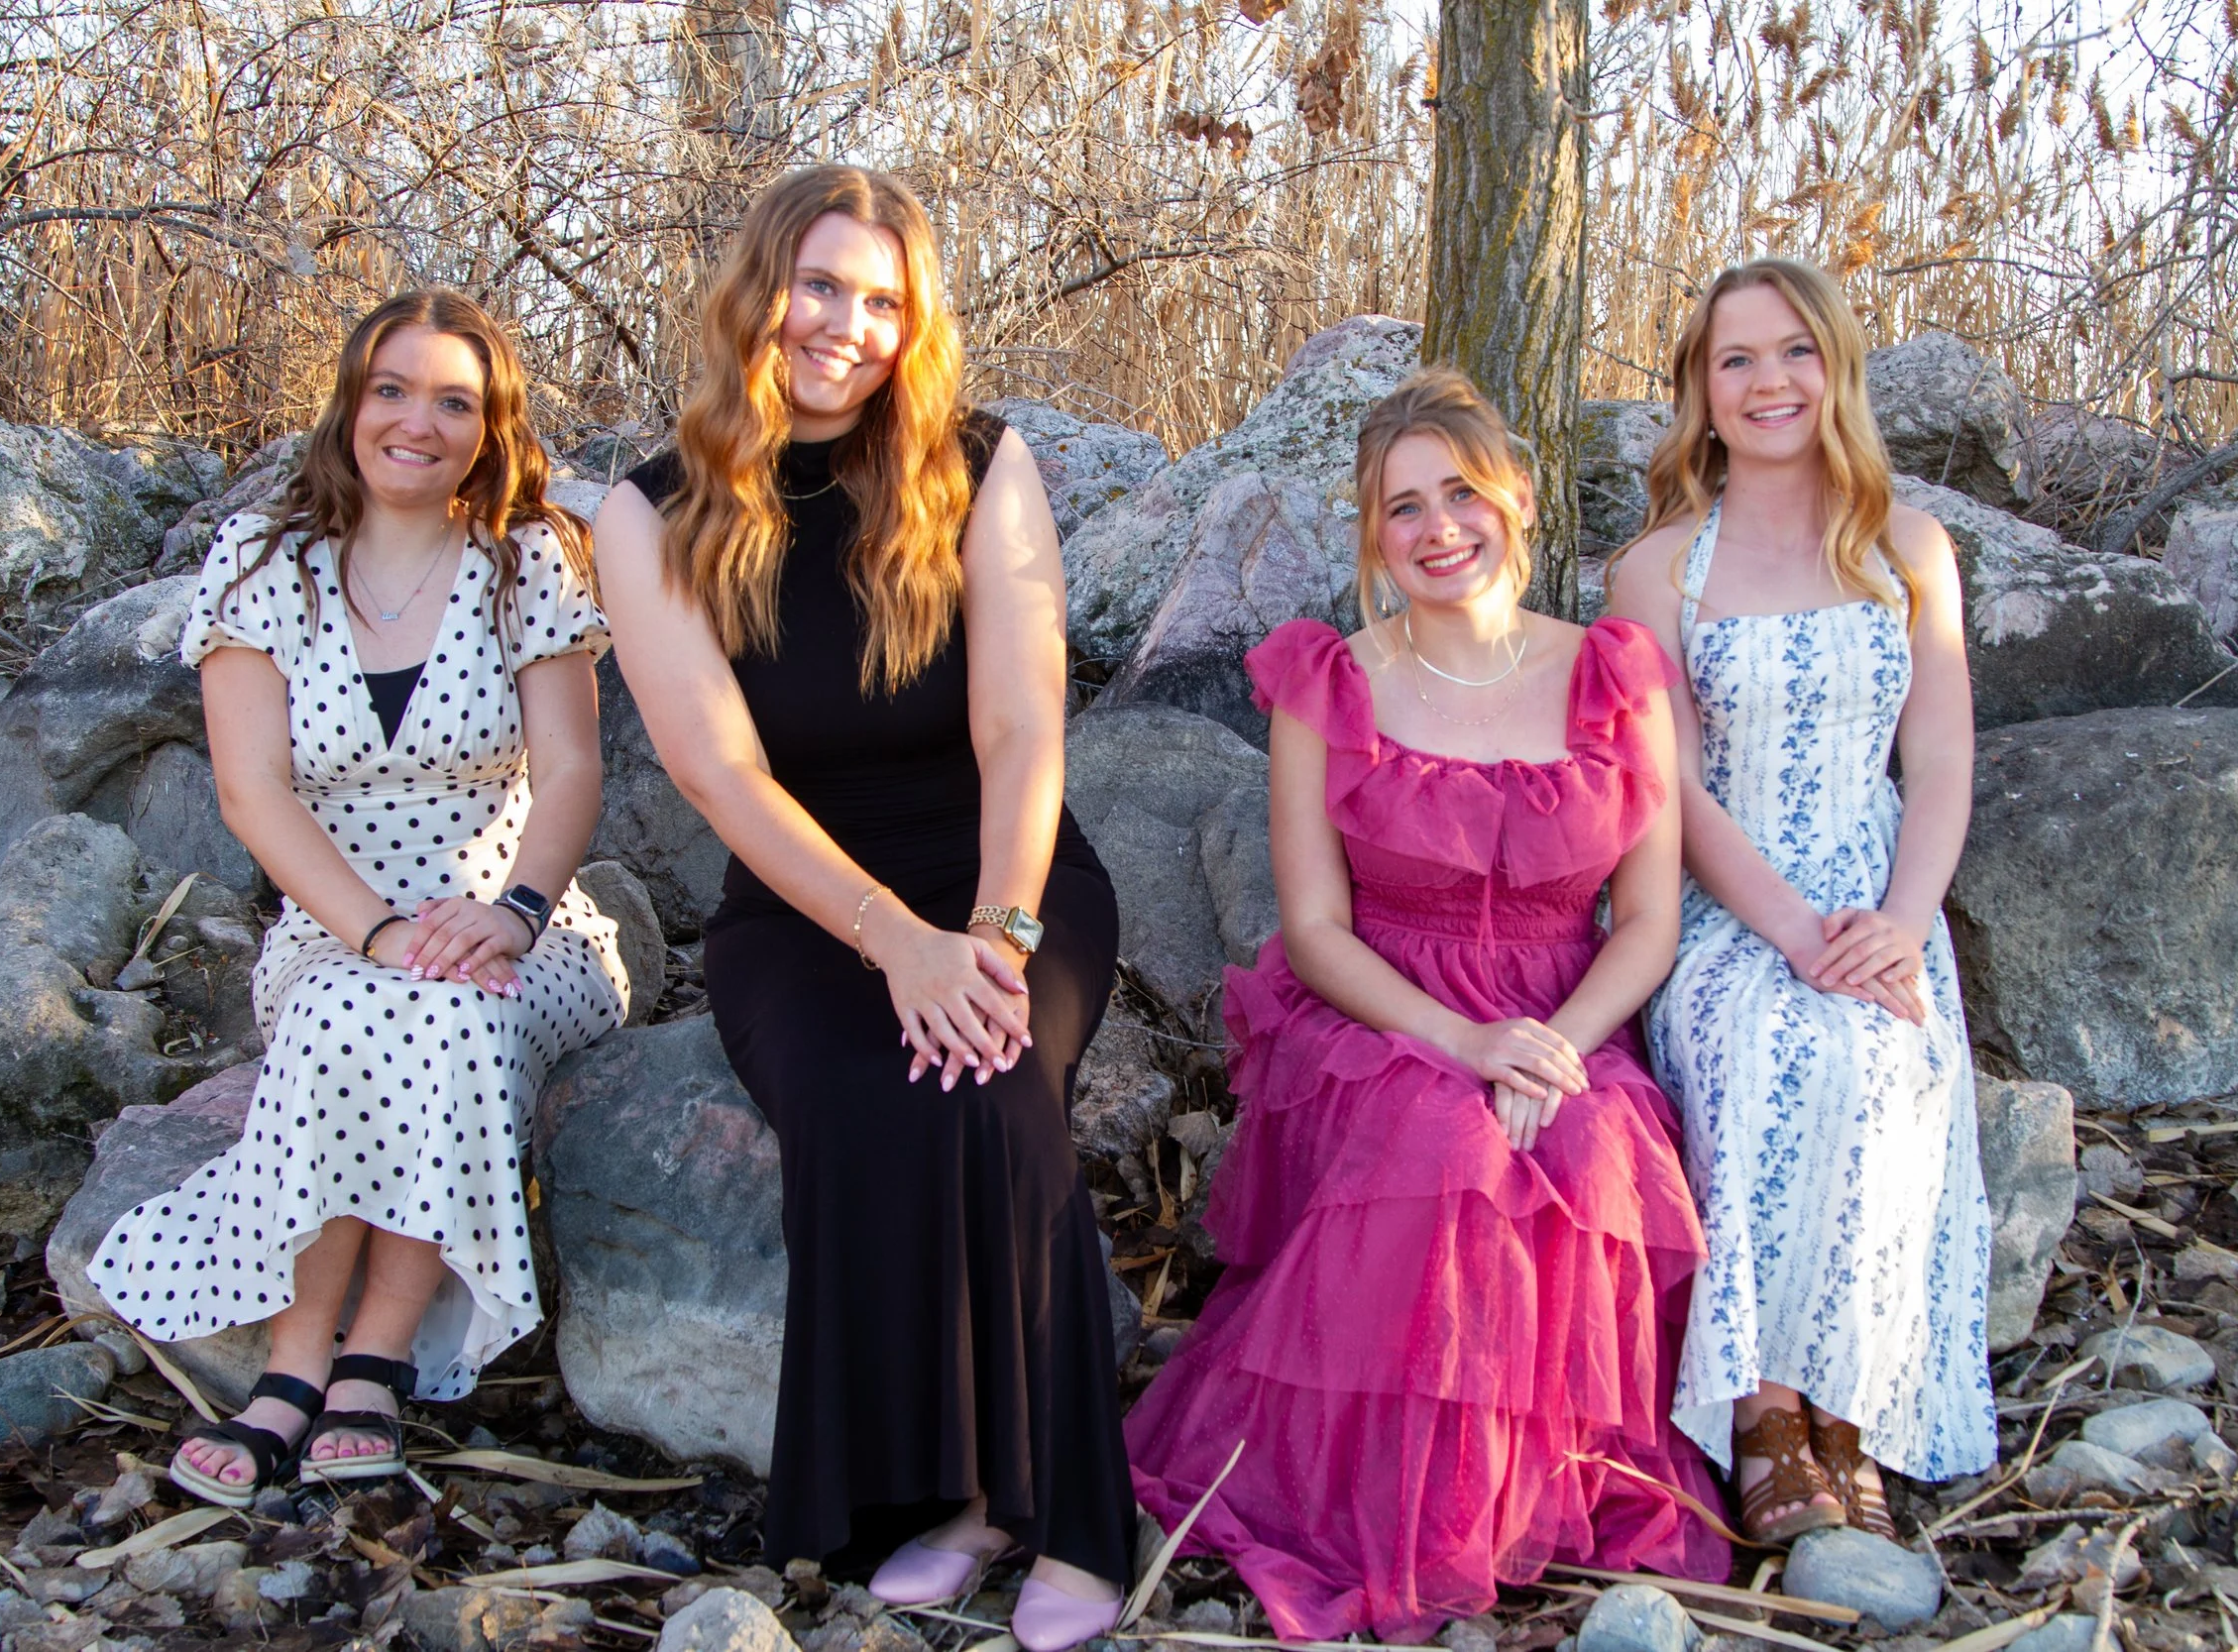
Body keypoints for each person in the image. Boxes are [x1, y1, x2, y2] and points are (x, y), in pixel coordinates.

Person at [592, 166, 1130, 1652]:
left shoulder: (978, 463)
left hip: (1010, 870)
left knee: (996, 1077)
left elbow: (1026, 729)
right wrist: (894, 941)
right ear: (759, 287)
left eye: (883, 300)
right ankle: (940, 1495)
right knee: (861, 1092)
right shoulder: (646, 515)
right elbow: (718, 770)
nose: (847, 325)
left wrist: (996, 938)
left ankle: (1068, 1508)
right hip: (799, 901)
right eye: (821, 284)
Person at [1126, 368, 1731, 1643]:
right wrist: (1461, 1040)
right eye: (1402, 508)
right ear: (1373, 536)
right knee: (1447, 1149)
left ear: (1514, 496)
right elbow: (1316, 928)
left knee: (1588, 1150)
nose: (1437, 527)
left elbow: (1653, 920)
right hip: (1383, 1012)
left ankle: (1532, 1497)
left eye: (1461, 491)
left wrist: (1551, 1045)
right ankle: (1414, 1509)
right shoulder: (1330, 682)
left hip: (1563, 1007)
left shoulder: (1613, 673)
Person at [88, 289, 630, 1506]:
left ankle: (369, 1362)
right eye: (393, 389)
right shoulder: (263, 566)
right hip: (333, 928)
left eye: (455, 401)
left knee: (447, 1009)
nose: (417, 422)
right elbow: (251, 790)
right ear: (350, 405)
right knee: (358, 1008)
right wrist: (378, 932)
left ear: (489, 428)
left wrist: (515, 910)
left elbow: (575, 769)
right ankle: (296, 1361)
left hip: (515, 924)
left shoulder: (528, 558)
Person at [1608, 258, 1997, 1542]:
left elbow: (1937, 760)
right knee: (1776, 1044)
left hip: (1881, 894)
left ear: (1837, 371)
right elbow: (1670, 791)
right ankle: (1766, 1407)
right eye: (1737, 359)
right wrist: (1789, 929)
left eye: (1794, 352)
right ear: (1701, 394)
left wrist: (1898, 918)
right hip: (1726, 906)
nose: (1769, 379)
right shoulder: (1655, 569)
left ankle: (1852, 1401)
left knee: (1887, 1059)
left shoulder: (1910, 546)